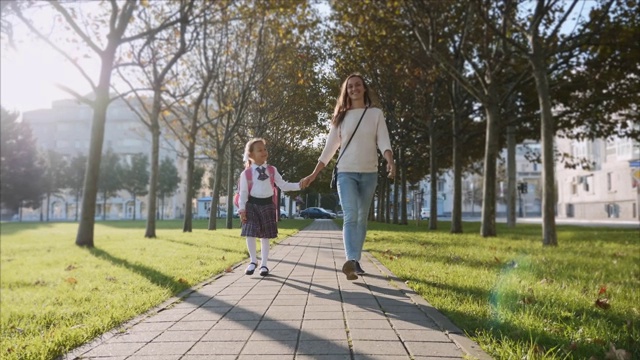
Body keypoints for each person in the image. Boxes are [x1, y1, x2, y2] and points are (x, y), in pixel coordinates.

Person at [301, 73, 395, 280]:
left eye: (358, 85)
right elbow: (328, 150)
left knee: (362, 218)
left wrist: (390, 161)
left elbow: (383, 141)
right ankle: (351, 260)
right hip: (346, 172)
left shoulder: (376, 114)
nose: (354, 89)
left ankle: (355, 261)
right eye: (350, 86)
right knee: (351, 216)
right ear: (346, 91)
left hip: (370, 172)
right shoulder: (340, 117)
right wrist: (314, 174)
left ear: (364, 88)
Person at [238, 138, 304, 276]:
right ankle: (252, 261)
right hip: (251, 205)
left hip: (267, 205)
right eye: (259, 150)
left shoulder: (272, 170)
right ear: (251, 154)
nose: (264, 152)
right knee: (250, 233)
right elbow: (243, 193)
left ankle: (264, 264)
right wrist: (242, 209)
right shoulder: (246, 173)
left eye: (265, 149)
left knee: (265, 236)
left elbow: (283, 185)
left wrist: (299, 185)